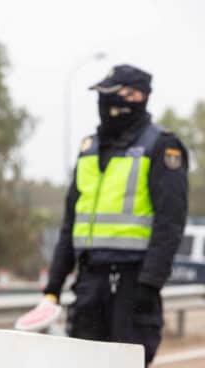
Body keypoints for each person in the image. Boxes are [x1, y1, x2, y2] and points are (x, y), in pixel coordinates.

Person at [43, 64, 189, 366]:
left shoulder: (161, 146)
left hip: (133, 283)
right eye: (103, 96)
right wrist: (53, 289)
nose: (106, 104)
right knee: (84, 362)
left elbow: (169, 223)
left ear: (138, 96)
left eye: (115, 95)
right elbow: (70, 226)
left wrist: (149, 285)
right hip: (89, 282)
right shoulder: (89, 149)